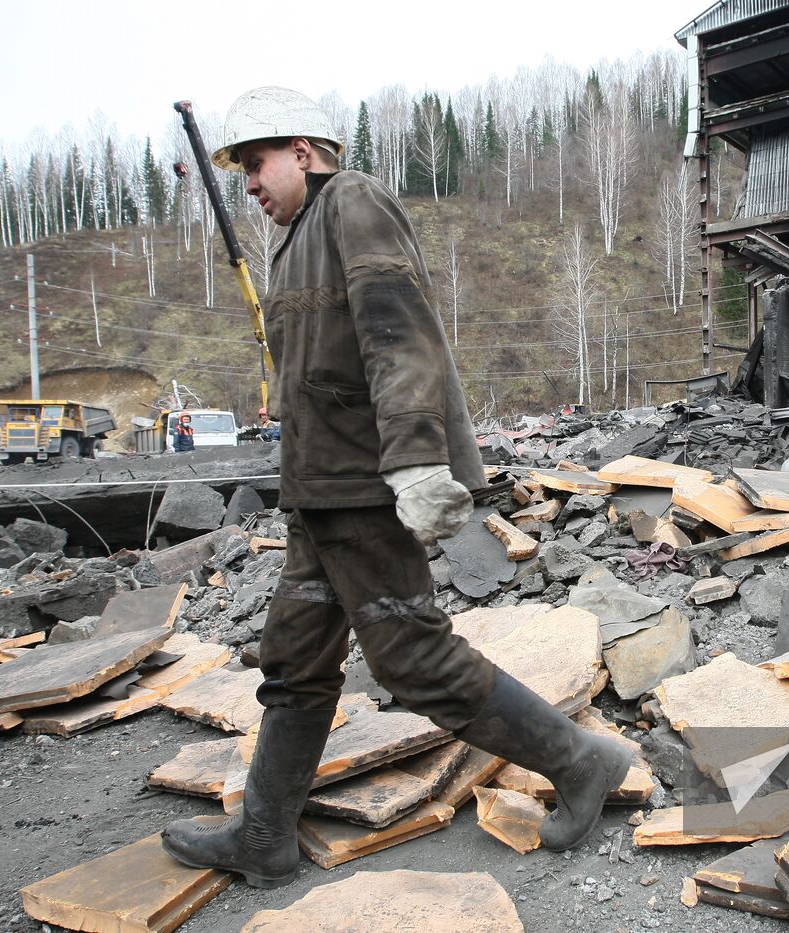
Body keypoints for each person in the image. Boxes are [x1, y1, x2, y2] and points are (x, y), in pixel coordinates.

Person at [160, 87, 631, 889]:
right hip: (318, 495)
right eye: (238, 170)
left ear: (304, 151)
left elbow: (397, 332)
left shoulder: (353, 201)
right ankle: (265, 838)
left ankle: (580, 759)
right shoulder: (299, 235)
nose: (247, 184)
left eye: (255, 163)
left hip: (361, 489)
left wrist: (415, 460)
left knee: (411, 655)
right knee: (296, 662)